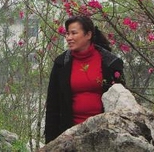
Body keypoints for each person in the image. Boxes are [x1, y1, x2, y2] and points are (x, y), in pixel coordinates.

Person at [44, 15, 125, 144]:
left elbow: (121, 102)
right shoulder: (61, 63)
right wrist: (50, 142)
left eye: (74, 33)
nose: (69, 38)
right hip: (69, 134)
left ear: (88, 35)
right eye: (67, 34)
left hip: (103, 134)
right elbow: (53, 105)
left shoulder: (110, 63)